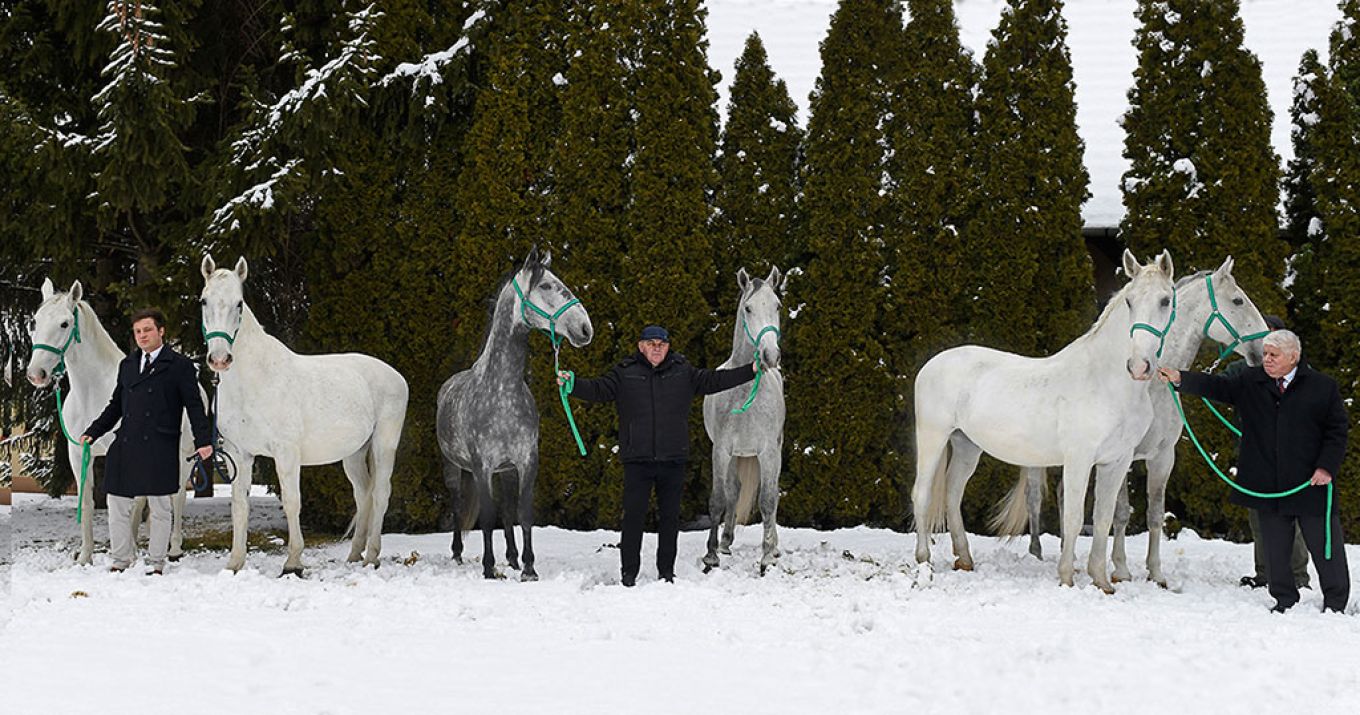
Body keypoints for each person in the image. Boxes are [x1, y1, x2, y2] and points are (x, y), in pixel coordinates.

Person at [1158, 330, 1349, 613]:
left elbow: (1337, 432)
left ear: (1294, 357)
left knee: (1325, 548)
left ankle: (1335, 603)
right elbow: (1217, 387)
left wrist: (1326, 467)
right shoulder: (1251, 381)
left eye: (1274, 355)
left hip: (1311, 483)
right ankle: (1284, 599)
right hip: (1265, 482)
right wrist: (1180, 378)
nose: (1267, 360)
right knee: (1275, 549)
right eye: (1265, 354)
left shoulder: (1323, 387)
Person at [560, 325, 755, 586]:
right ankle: (629, 574)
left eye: (661, 344)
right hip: (637, 461)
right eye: (651, 343)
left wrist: (751, 371)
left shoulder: (682, 371)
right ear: (641, 346)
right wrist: (572, 384)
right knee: (633, 519)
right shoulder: (625, 372)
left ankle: (666, 573)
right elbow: (598, 389)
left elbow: (714, 381)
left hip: (673, 460)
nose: (656, 348)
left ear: (668, 346)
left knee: (669, 520)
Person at [82, 308, 212, 575]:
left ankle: (156, 562)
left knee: (161, 507)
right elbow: (116, 405)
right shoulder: (128, 365)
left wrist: (203, 440)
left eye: (148, 330)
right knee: (116, 503)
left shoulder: (179, 366)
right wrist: (94, 430)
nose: (142, 335)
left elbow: (194, 406)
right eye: (138, 331)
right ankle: (120, 558)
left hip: (160, 444)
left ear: (161, 331)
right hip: (126, 443)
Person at [1225, 315, 1309, 590]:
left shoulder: (1300, 374)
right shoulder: (1243, 369)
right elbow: (1217, 385)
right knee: (1259, 518)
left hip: (1290, 459)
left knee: (1289, 517)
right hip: (1255, 458)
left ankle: (1298, 576)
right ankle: (1265, 574)